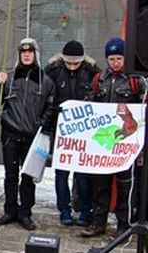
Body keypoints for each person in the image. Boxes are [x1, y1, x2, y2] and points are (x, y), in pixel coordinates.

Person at [81, 37, 146, 237]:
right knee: (100, 184)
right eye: (112, 58)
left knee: (125, 185)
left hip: (126, 143)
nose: (116, 62)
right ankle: (98, 222)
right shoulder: (98, 79)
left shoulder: (135, 81)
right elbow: (90, 106)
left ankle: (123, 225)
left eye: (119, 58)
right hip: (104, 142)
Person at [0, 38, 56, 231]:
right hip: (10, 134)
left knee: (28, 177)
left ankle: (25, 213)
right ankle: (9, 210)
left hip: (31, 138)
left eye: (30, 51)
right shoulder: (9, 77)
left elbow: (51, 108)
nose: (26, 55)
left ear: (36, 54)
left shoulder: (45, 81)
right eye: (23, 52)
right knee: (10, 175)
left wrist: (40, 126)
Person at [45, 40, 101, 226]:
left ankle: (85, 210)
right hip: (61, 129)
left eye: (75, 64)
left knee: (83, 174)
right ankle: (64, 210)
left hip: (84, 131)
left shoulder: (92, 72)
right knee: (61, 173)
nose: (72, 67)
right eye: (69, 63)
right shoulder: (53, 71)